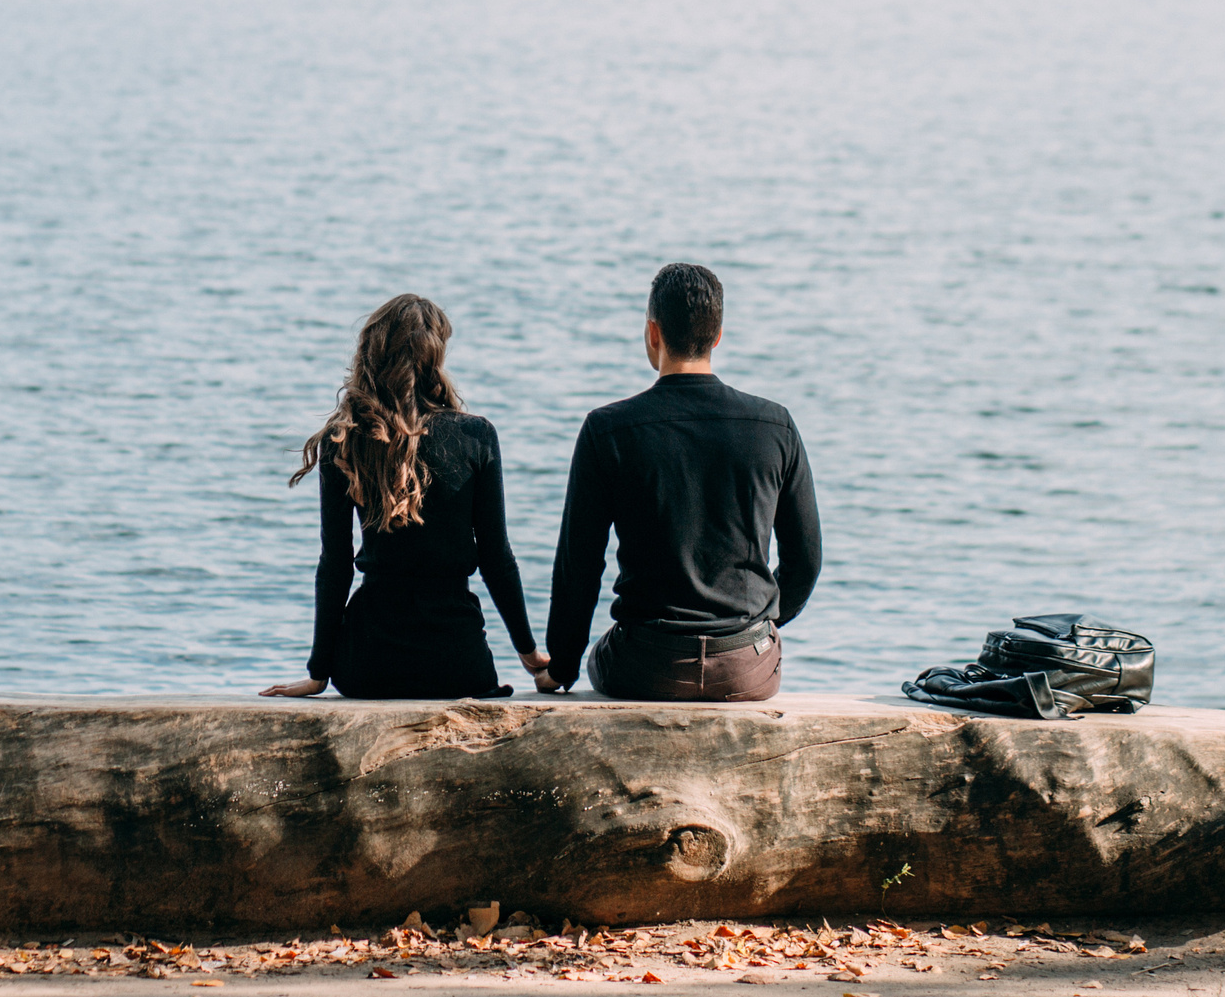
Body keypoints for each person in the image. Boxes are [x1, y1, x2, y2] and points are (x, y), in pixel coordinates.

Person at [539, 262, 821, 701]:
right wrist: (761, 628)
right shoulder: (775, 425)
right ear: (718, 335)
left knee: (604, 653)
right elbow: (806, 561)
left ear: (653, 333)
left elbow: (580, 566)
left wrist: (562, 666)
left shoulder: (607, 429)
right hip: (747, 667)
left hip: (646, 665)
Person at [262, 294, 549, 700]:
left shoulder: (344, 439)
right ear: (437, 356)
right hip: (457, 663)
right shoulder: (476, 435)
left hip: (366, 666)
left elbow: (336, 564)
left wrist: (318, 672)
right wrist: (529, 652)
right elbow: (496, 558)